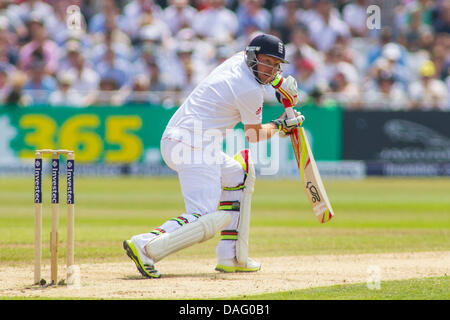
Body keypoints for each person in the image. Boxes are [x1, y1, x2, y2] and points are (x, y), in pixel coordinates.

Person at [123, 33, 304, 278]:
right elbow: (253, 135)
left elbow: (265, 75)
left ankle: (232, 256)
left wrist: (279, 84)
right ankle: (145, 246)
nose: (271, 69)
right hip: (193, 144)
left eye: (276, 65)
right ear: (253, 57)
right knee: (203, 217)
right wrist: (282, 125)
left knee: (239, 174)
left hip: (185, 140)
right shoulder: (249, 90)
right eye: (267, 62)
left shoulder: (238, 59)